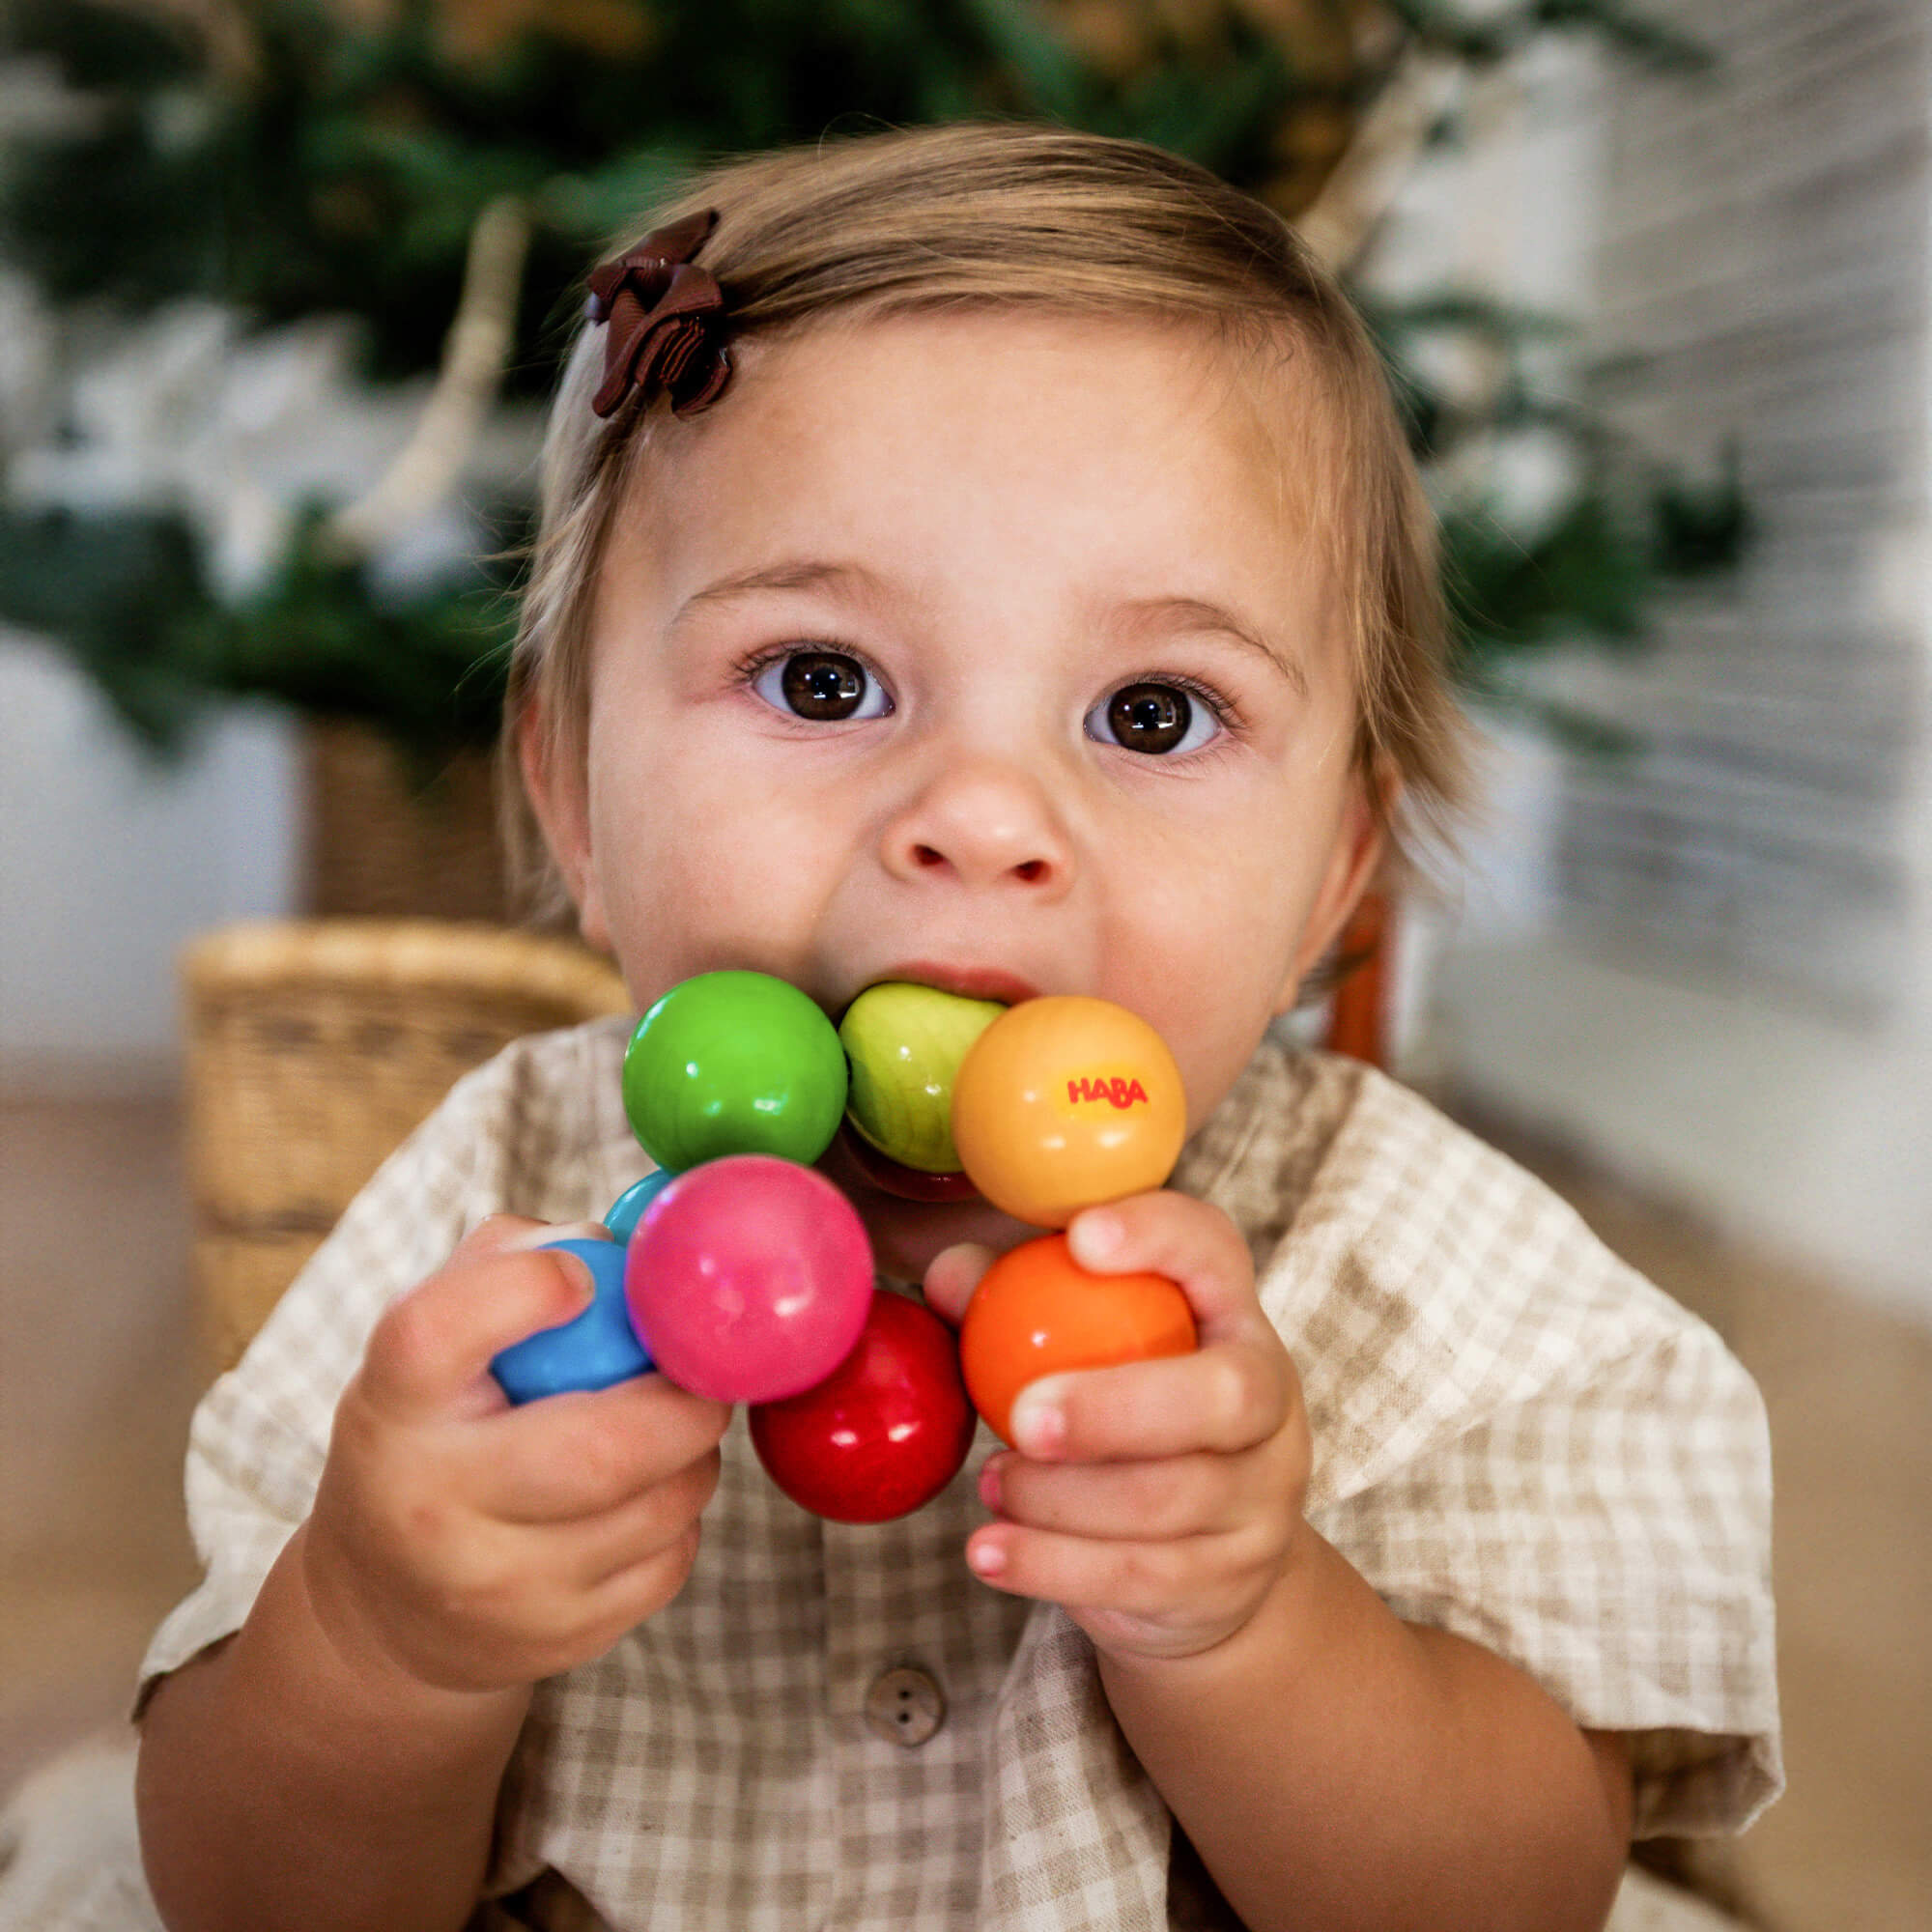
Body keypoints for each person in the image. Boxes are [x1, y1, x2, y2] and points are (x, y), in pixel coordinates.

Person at [132, 125, 1779, 1932]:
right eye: (824, 681)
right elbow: (248, 1901)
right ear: (575, 801)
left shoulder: (1428, 1282)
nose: (981, 815)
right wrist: (380, 1647)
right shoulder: (485, 1227)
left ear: (1334, 880)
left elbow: (1519, 1900)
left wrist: (1252, 1628)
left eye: (1155, 713)